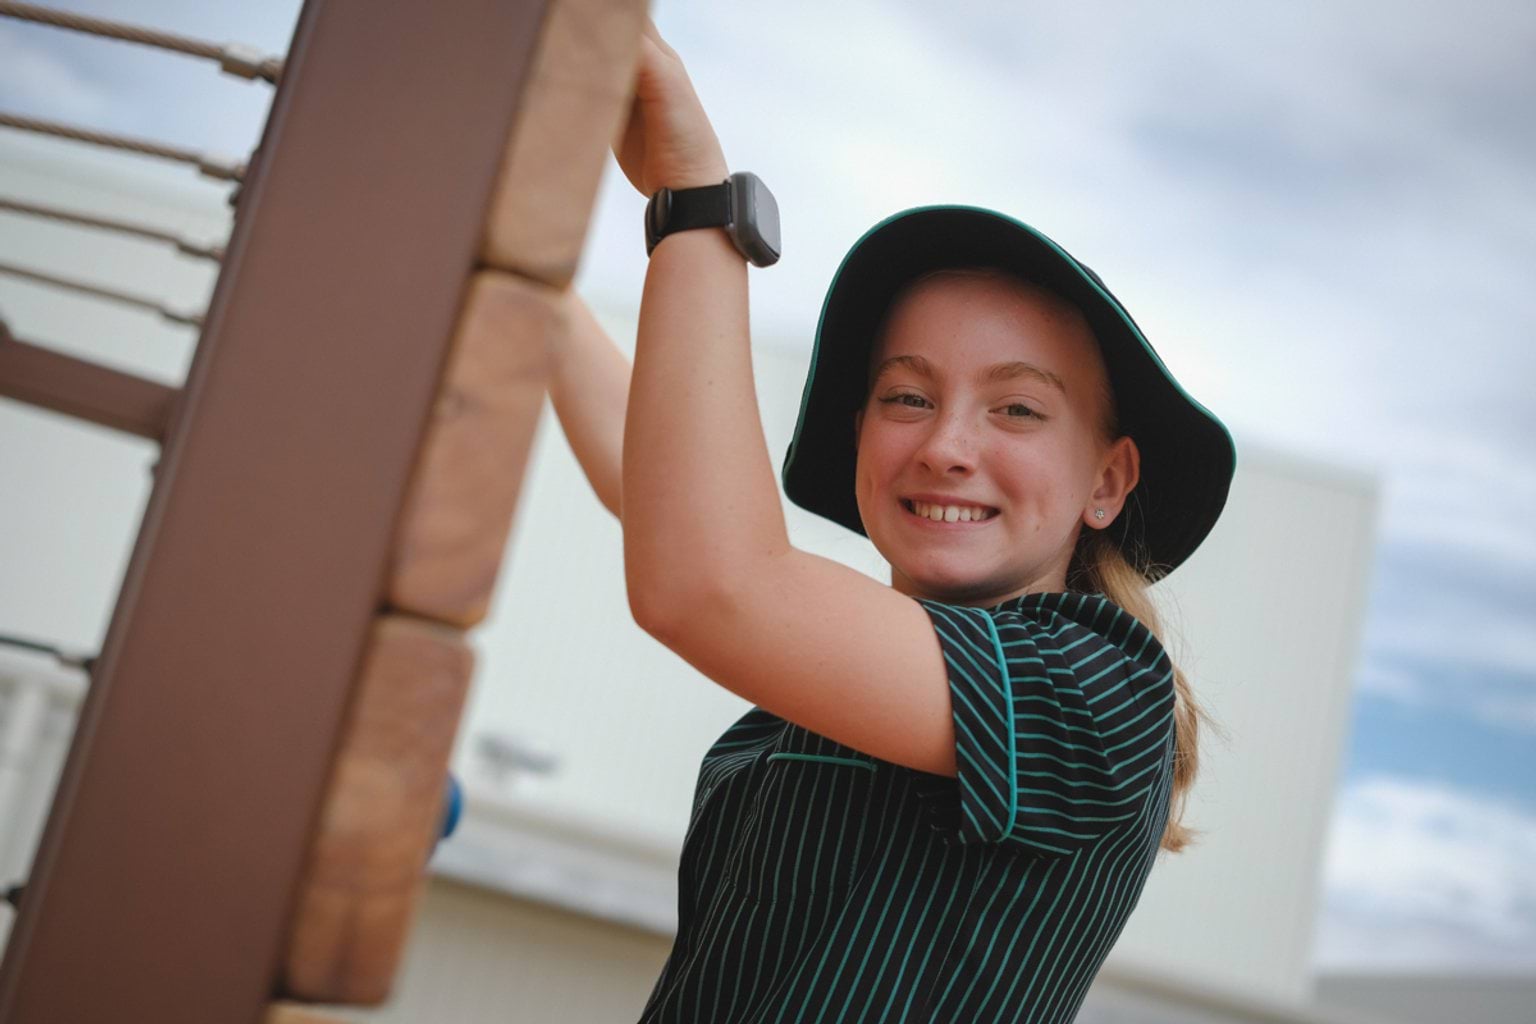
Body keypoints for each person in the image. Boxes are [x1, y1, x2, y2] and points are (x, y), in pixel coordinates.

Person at [547, 20, 1236, 1024]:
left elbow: (709, 582)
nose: (947, 444)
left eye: (1018, 408)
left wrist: (697, 199)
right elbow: (655, 494)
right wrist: (526, 279)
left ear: (1109, 479)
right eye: (907, 396)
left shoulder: (1099, 685)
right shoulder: (817, 692)